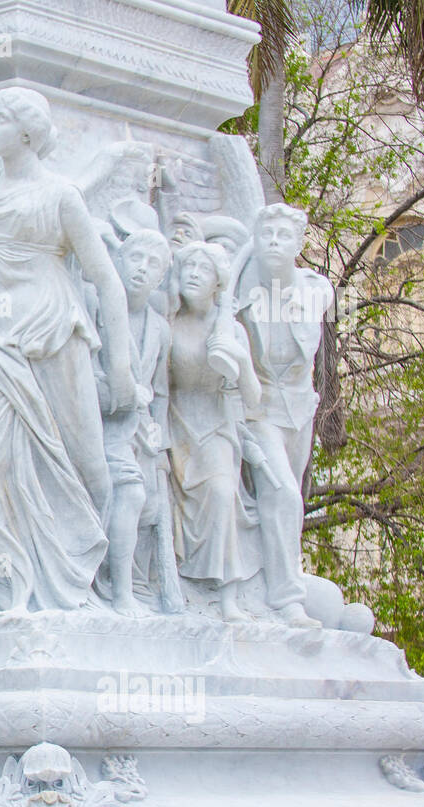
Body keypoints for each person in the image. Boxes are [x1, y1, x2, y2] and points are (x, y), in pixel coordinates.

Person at [0, 87, 132, 621]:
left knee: (86, 461)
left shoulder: (61, 196)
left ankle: (91, 575)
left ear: (27, 132)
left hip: (53, 333)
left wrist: (122, 367)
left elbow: (107, 280)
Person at [233, 203, 331, 628]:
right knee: (282, 494)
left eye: (283, 236)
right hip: (259, 409)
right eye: (266, 235)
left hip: (300, 408)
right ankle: (286, 600)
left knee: (292, 503)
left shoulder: (318, 290)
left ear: (299, 244)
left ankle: (268, 579)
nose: (274, 243)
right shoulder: (240, 293)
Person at [166, 242, 262, 621]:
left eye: (203, 269)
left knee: (222, 495)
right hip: (175, 422)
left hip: (216, 425)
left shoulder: (230, 329)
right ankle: (174, 589)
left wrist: (239, 360)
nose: (193, 273)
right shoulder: (169, 323)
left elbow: (253, 399)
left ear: (218, 283)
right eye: (188, 266)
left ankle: (227, 596)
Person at [93, 227, 183, 614]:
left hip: (140, 433)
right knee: (129, 493)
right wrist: (122, 392)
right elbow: (82, 371)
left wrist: (158, 443)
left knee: (145, 506)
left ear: (161, 277)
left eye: (153, 264)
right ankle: (121, 594)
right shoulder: (97, 306)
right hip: (99, 422)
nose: (142, 268)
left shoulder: (160, 329)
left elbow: (160, 392)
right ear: (119, 260)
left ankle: (132, 584)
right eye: (135, 258)